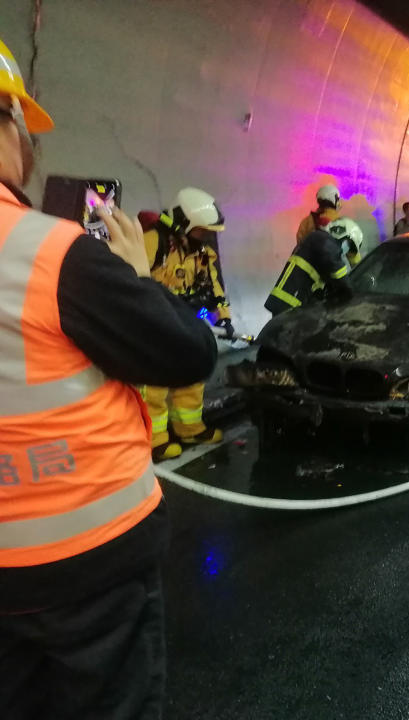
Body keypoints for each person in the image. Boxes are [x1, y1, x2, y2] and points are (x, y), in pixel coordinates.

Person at [0, 38, 217, 719]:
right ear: (7, 121)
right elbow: (186, 351)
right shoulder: (50, 253)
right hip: (84, 565)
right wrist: (135, 278)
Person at [140, 187, 231, 462]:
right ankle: (153, 440)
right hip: (155, 324)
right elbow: (131, 280)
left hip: (186, 322)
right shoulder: (153, 242)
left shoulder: (202, 252)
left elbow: (214, 286)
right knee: (153, 383)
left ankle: (189, 427)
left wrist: (223, 316)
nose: (205, 237)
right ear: (184, 224)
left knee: (192, 372)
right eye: (201, 231)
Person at [265, 225, 353, 317]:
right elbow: (336, 266)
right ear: (344, 236)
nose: (346, 250)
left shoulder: (318, 243)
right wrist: (349, 290)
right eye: (349, 244)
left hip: (291, 301)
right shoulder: (324, 240)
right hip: (290, 301)